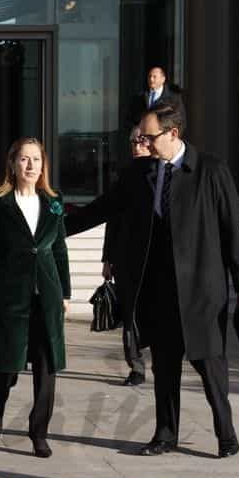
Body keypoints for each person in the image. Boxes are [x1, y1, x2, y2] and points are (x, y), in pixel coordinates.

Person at [66, 107, 239, 458]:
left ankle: (226, 434)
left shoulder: (210, 170)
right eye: (141, 137)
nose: (144, 144)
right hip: (158, 290)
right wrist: (51, 227)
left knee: (210, 365)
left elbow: (231, 229)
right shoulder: (139, 173)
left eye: (149, 137)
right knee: (165, 367)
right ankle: (165, 435)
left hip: (201, 290)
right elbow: (100, 209)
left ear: (173, 134)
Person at [0, 138, 71, 459]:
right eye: (24, 160)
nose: (31, 166)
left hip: (47, 295)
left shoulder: (54, 203)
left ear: (44, 166)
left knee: (46, 366)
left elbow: (59, 250)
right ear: (13, 164)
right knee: (9, 365)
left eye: (36, 160)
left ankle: (39, 432)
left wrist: (65, 291)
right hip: (9, 295)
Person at [103, 124, 151, 386]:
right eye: (133, 142)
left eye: (142, 141)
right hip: (124, 258)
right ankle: (136, 365)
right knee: (130, 313)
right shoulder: (123, 178)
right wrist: (107, 258)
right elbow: (112, 219)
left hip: (153, 260)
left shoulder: (165, 175)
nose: (137, 146)